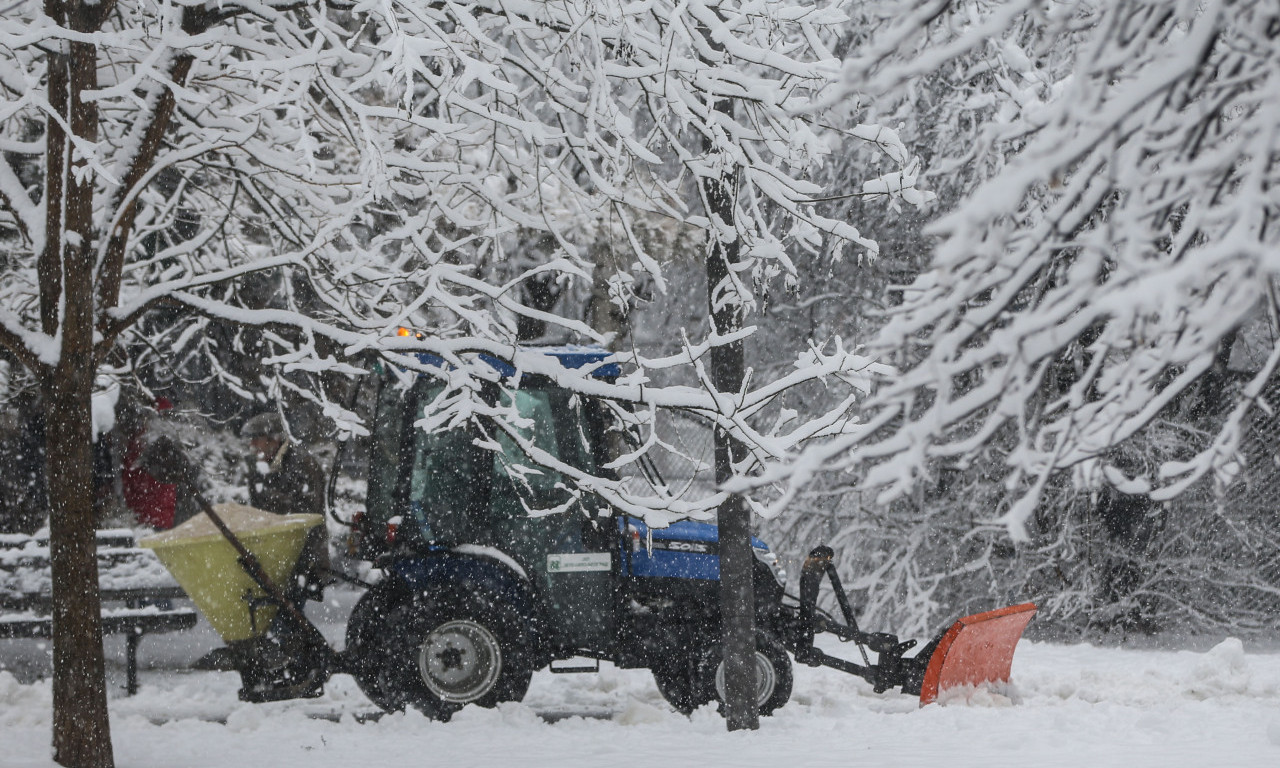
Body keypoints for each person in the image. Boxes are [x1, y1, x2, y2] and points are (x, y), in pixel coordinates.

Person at [240, 412, 332, 596]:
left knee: (288, 609)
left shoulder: (303, 465)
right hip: (274, 558)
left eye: (257, 439)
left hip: (301, 557)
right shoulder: (260, 468)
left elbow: (306, 515)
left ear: (274, 439)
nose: (252, 445)